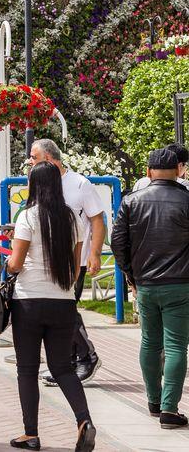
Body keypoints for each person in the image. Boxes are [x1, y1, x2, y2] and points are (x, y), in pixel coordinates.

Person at [6, 162, 96, 450]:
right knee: (63, 368)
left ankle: (30, 434)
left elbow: (16, 263)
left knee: (27, 369)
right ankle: (84, 420)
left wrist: (8, 259)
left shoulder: (28, 216)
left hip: (29, 301)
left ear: (34, 185)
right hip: (63, 303)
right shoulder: (72, 219)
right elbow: (75, 265)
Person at [113, 148, 189, 430]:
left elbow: (118, 242)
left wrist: (131, 276)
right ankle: (170, 409)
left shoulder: (132, 201)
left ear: (148, 172)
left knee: (149, 341)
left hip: (145, 283)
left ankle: (154, 401)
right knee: (176, 346)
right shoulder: (186, 200)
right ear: (178, 171)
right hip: (180, 284)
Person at [28, 138, 105, 384]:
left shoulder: (80, 184)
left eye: (34, 157)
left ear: (49, 159)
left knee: (67, 310)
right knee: (59, 311)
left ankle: (87, 357)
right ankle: (68, 364)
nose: (30, 161)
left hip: (74, 260)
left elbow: (97, 220)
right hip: (45, 261)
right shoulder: (40, 182)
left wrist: (94, 253)